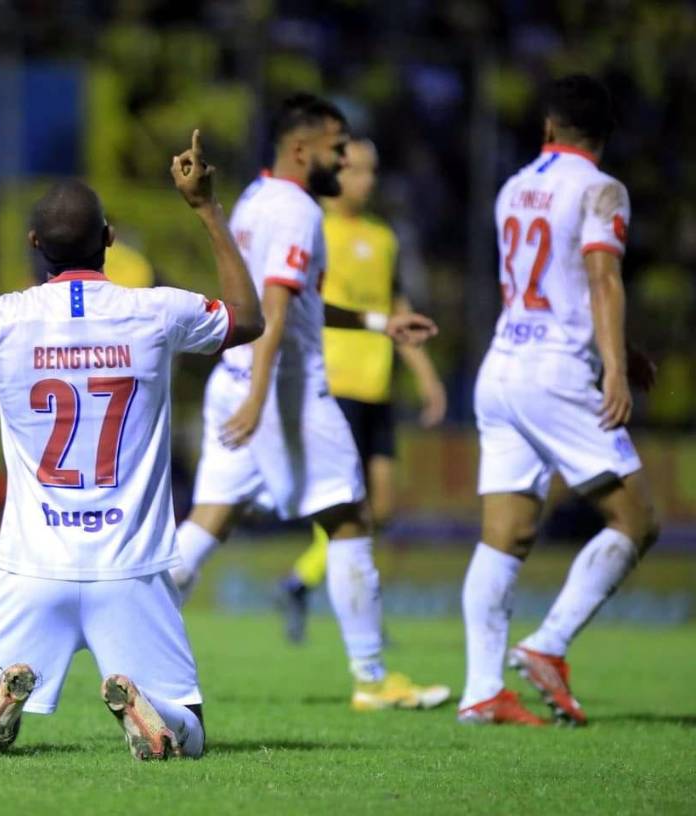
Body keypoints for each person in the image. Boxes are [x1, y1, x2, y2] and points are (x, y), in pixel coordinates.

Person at [0, 131, 263, 759]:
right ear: (110, 238)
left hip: (32, 566)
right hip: (131, 567)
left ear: (34, 244)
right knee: (190, 734)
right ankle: (157, 716)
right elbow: (248, 318)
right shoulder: (157, 312)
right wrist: (206, 209)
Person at [169, 94, 449, 711]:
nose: (345, 159)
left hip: (233, 378)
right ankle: (372, 678)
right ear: (302, 149)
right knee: (349, 520)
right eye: (337, 147)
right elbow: (272, 310)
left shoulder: (256, 199)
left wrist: (377, 322)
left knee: (209, 521)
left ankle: (131, 638)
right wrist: (261, 399)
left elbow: (296, 305)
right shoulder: (298, 211)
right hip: (284, 390)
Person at [458, 75, 659, 726]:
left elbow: (548, 282)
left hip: (502, 367)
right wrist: (614, 372)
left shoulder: (513, 187)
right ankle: (549, 644)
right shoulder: (602, 189)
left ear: (548, 127)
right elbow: (600, 280)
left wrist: (620, 350)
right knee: (636, 520)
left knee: (504, 537)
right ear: (605, 134)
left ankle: (481, 691)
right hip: (556, 372)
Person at [278, 138, 448, 643]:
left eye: (372, 171)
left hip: (377, 384)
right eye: (356, 170)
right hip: (334, 381)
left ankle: (301, 580)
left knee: (383, 509)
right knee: (345, 506)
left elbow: (396, 309)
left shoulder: (382, 237)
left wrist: (426, 375)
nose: (366, 180)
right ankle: (361, 619)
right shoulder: (314, 229)